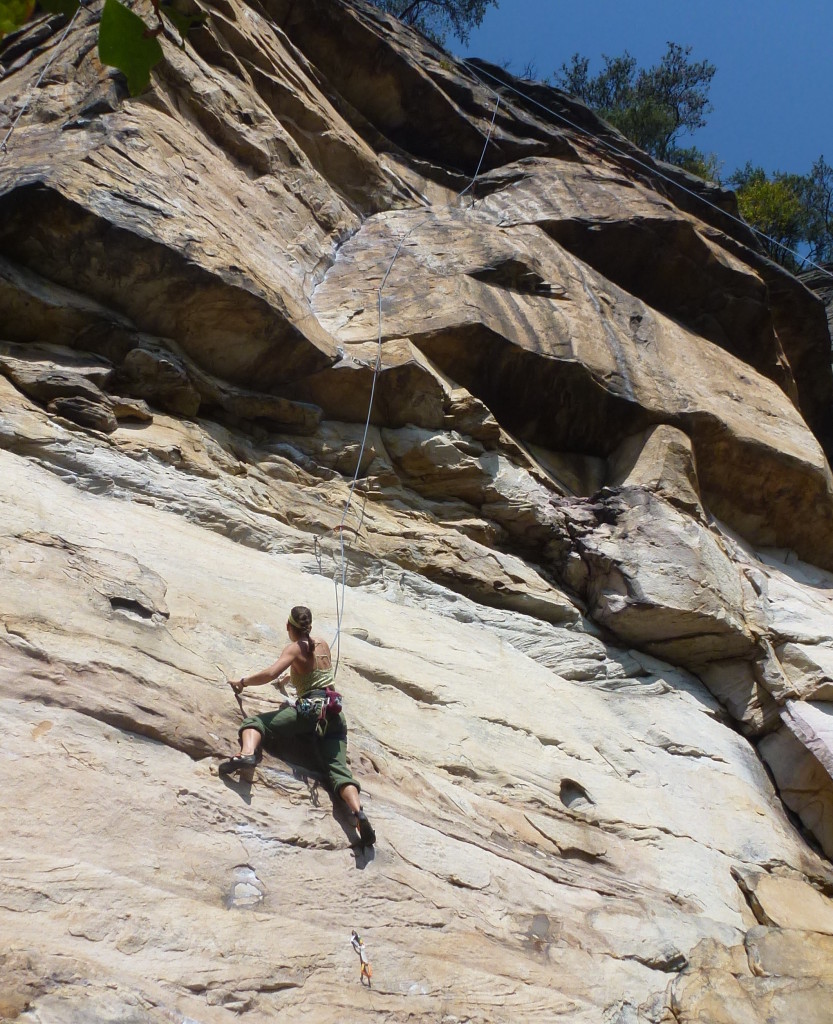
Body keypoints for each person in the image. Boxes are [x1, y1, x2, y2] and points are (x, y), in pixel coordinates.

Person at [219, 605, 376, 847]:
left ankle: (247, 754)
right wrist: (291, 678)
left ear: (289, 627)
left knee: (255, 722)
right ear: (309, 627)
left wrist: (243, 683)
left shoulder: (293, 649)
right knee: (338, 770)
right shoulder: (322, 644)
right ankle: (358, 813)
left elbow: (271, 673)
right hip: (334, 714)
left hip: (308, 714)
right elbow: (314, 673)